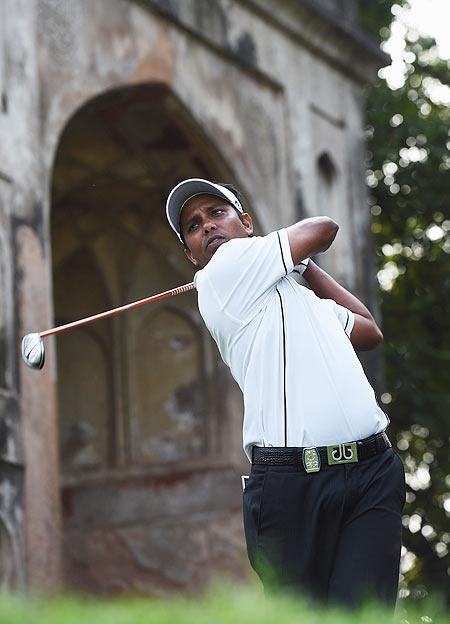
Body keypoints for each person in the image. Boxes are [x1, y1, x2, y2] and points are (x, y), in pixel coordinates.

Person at [165, 178, 405, 608]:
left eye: (217, 213)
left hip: (373, 470)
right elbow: (324, 228)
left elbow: (368, 331)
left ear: (246, 223)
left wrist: (302, 268)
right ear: (190, 254)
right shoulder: (222, 273)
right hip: (293, 485)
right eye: (193, 226)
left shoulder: (302, 299)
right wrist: (297, 256)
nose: (206, 227)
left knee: (366, 616)